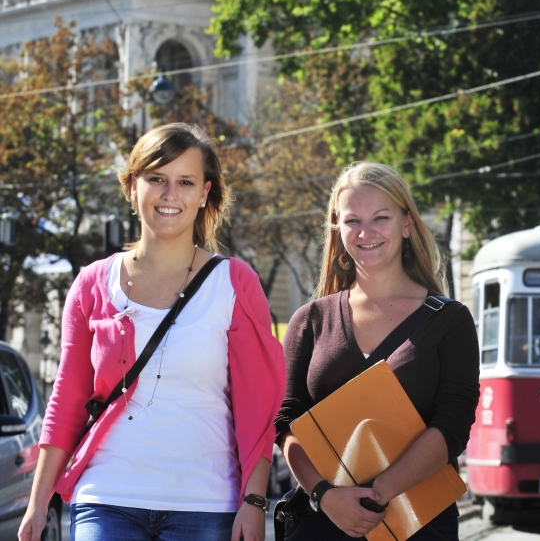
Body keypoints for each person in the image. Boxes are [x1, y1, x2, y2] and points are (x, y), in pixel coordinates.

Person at [19, 122, 286, 541]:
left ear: (204, 194)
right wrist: (38, 504)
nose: (169, 194)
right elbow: (67, 399)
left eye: (185, 182)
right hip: (106, 496)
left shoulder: (235, 283)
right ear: (132, 188)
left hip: (205, 503)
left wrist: (253, 502)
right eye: (156, 179)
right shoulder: (92, 284)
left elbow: (259, 407)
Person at [275, 161, 480, 541]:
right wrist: (326, 496)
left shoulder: (451, 321)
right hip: (323, 523)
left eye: (380, 218)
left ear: (407, 224)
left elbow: (452, 425)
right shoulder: (309, 320)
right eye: (352, 220)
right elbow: (286, 422)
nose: (365, 232)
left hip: (418, 526)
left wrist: (376, 496)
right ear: (338, 228)